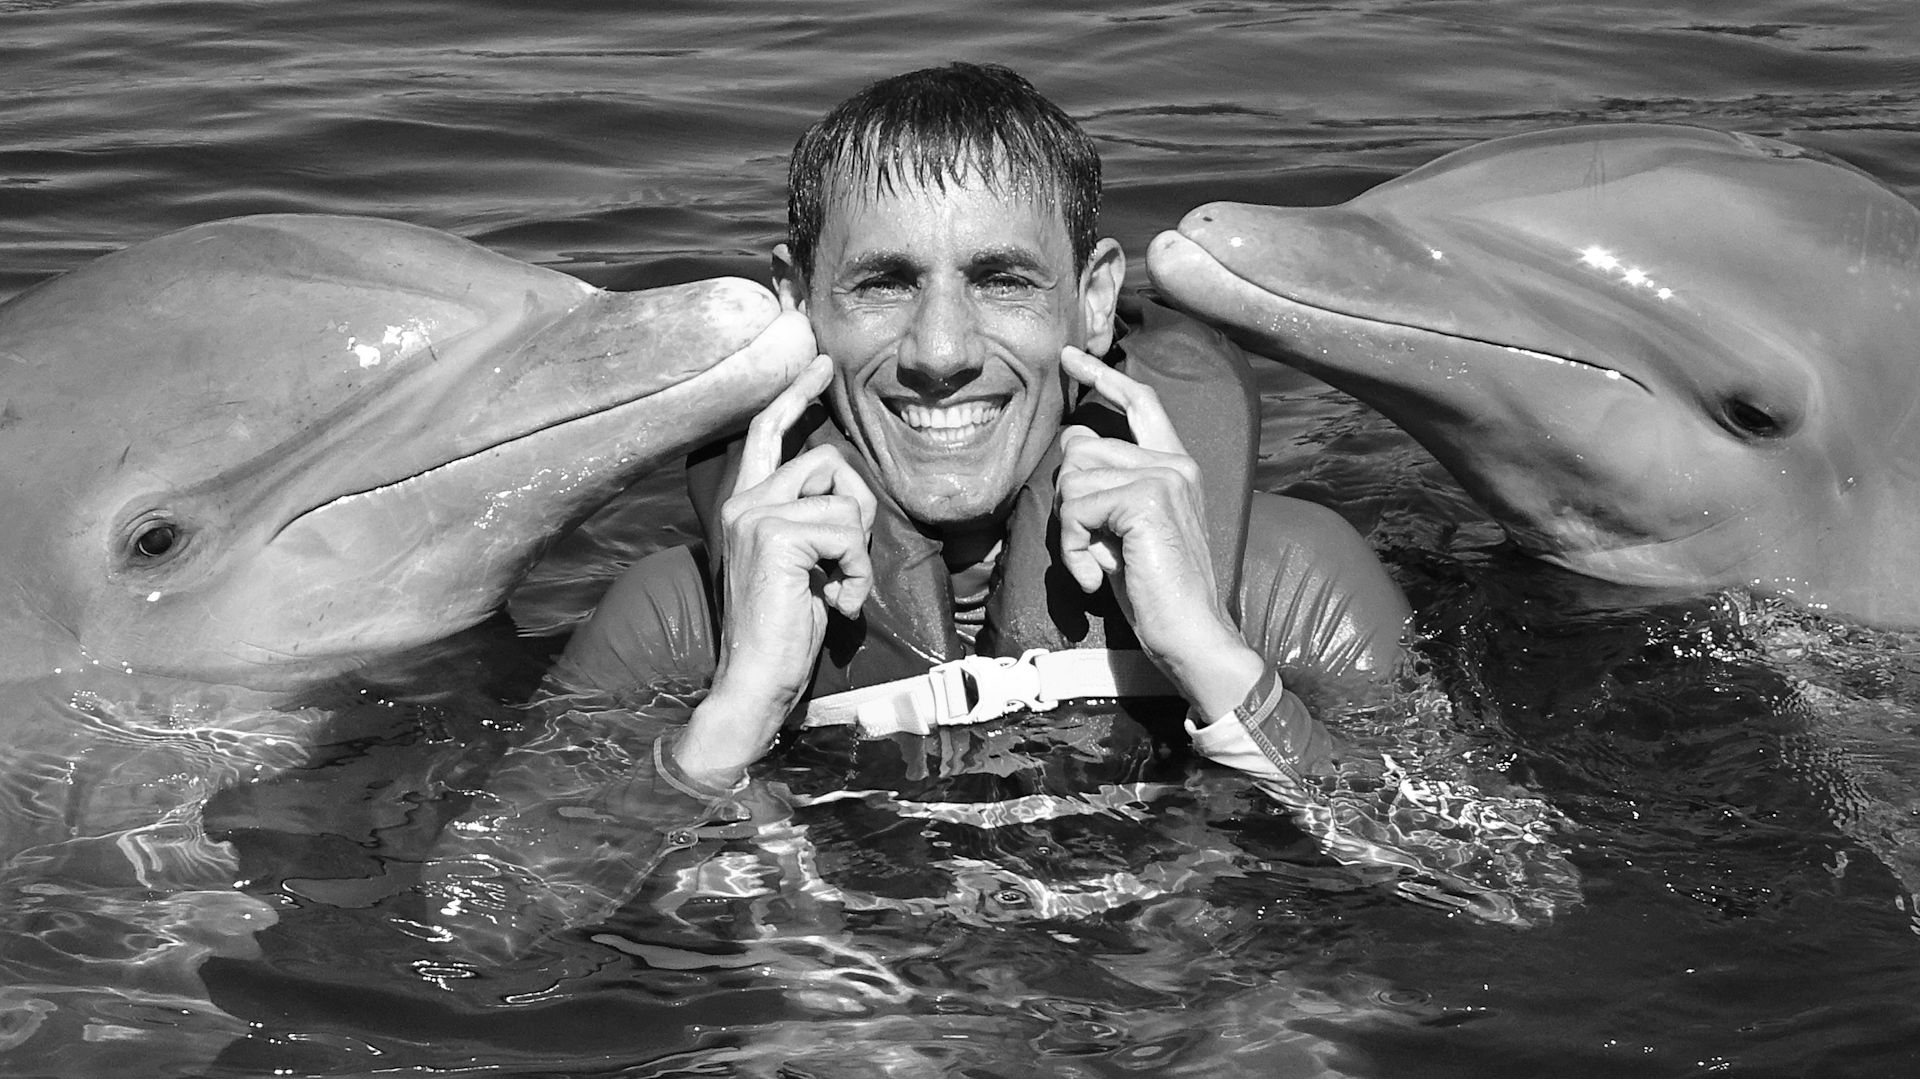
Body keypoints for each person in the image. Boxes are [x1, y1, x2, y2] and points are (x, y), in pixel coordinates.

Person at [424, 64, 1465, 959]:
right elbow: (475, 927)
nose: (941, 351)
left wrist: (1212, 656)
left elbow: (1493, 881)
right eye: (884, 284)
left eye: (1003, 280)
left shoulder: (1284, 577)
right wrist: (735, 714)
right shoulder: (685, 615)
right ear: (797, 299)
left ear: (1095, 298)